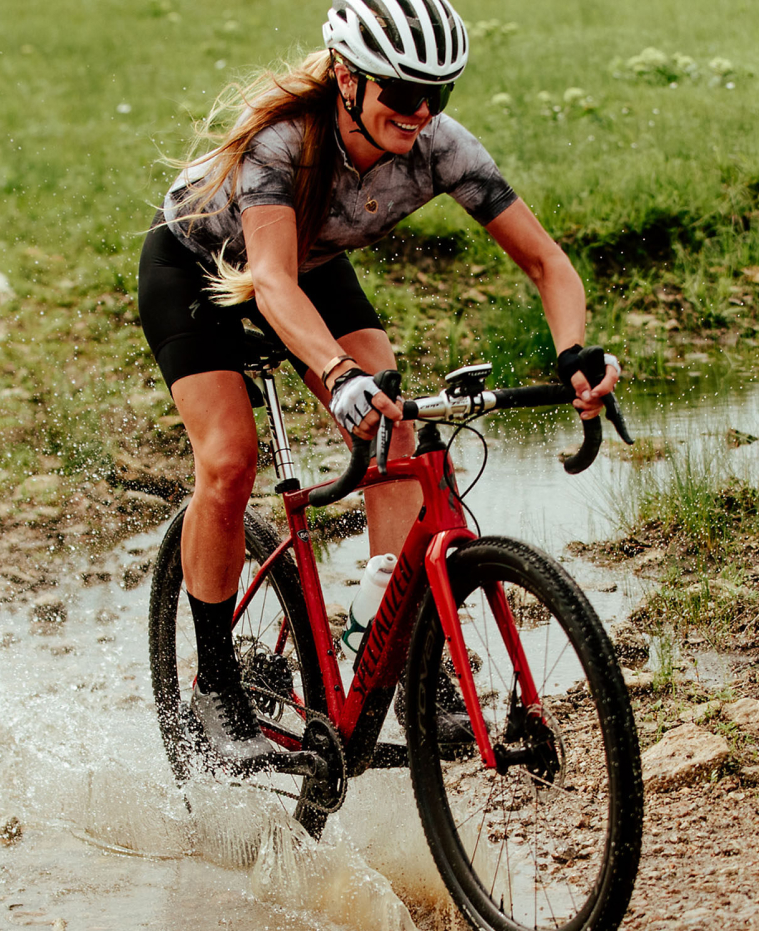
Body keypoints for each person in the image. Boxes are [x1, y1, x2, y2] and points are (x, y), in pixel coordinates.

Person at [138, 0, 621, 768]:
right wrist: (335, 374)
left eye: (440, 94)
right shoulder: (284, 146)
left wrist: (576, 354)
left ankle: (397, 662)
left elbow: (547, 262)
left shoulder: (440, 147)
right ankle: (216, 682)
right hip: (200, 269)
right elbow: (267, 277)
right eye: (401, 93)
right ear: (347, 79)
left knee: (395, 431)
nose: (421, 111)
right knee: (230, 460)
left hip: (314, 270)